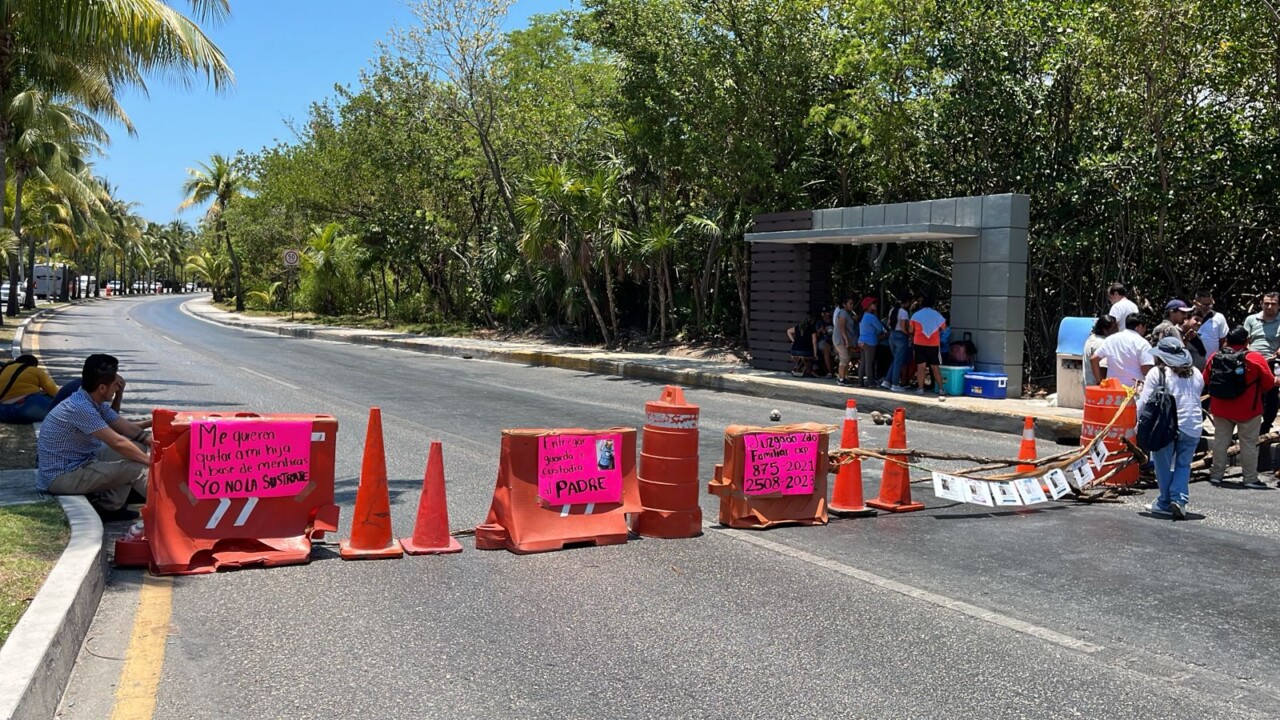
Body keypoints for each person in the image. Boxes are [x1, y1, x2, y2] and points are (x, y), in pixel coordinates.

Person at [37, 354, 151, 522]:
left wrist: (156, 444)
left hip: (80, 462)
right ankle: (175, 510)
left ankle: (109, 506)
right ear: (102, 388)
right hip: (61, 476)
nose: (117, 388)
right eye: (115, 385)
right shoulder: (80, 407)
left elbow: (128, 429)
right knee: (135, 468)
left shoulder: (91, 400)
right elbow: (117, 442)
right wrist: (152, 462)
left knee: (137, 448)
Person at [1138, 338, 1204, 519]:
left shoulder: (1157, 373)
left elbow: (1144, 402)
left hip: (1165, 426)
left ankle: (1165, 501)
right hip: (1193, 425)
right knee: (1184, 465)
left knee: (1163, 466)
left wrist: (1137, 424)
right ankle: (1179, 499)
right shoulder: (1197, 373)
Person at [1203, 327, 1274, 488]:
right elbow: (1268, 383)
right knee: (1248, 443)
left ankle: (1216, 475)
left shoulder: (1215, 357)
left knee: (1220, 442)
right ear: (1247, 341)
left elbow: (1206, 379)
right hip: (1248, 409)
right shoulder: (1255, 358)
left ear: (1227, 340)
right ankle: (1250, 478)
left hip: (1221, 407)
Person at [1244, 291, 1280, 432]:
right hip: (1252, 362)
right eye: (1266, 303)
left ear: (1278, 306)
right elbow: (1244, 340)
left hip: (1272, 362)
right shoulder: (1251, 319)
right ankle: (1250, 426)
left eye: (1273, 304)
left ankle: (1266, 425)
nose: (1269, 306)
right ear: (1261, 304)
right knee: (1251, 395)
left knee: (1272, 396)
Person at [1092, 314, 1154, 388]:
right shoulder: (1143, 343)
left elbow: (1093, 359)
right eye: (1145, 327)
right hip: (1134, 391)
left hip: (1113, 390)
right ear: (1139, 327)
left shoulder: (1111, 339)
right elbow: (1146, 370)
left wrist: (1099, 382)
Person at [0, 355, 59, 424]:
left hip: (3, 411)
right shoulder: (35, 370)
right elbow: (55, 393)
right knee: (55, 403)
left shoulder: (5, 368)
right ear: (34, 365)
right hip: (24, 408)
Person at [910, 296, 947, 395]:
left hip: (919, 343)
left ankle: (920, 389)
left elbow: (910, 330)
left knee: (920, 366)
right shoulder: (937, 315)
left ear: (922, 304)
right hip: (933, 344)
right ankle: (941, 389)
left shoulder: (915, 315)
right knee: (935, 366)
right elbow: (944, 328)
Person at [1190, 290, 1228, 369]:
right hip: (1191, 363)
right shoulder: (1187, 317)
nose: (1208, 307)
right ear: (1195, 303)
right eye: (1205, 305)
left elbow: (1223, 340)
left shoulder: (1219, 317)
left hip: (1212, 364)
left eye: (1210, 304)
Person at [882, 293, 912, 391]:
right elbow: (904, 328)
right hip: (900, 336)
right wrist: (909, 335)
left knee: (895, 359)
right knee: (899, 361)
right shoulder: (904, 312)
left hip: (892, 335)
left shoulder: (892, 310)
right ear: (906, 302)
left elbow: (888, 324)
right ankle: (895, 384)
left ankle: (887, 380)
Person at [856, 296, 885, 387]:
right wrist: (875, 333)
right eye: (873, 303)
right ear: (868, 306)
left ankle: (860, 382)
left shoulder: (862, 316)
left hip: (861, 341)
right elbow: (880, 328)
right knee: (869, 363)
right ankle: (870, 382)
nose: (875, 305)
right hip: (870, 342)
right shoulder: (871, 317)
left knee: (863, 363)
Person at [1082, 314, 1116, 388]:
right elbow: (1102, 367)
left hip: (1088, 382)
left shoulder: (1091, 338)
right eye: (1113, 328)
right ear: (1105, 330)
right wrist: (1101, 384)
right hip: (1098, 385)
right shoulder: (1102, 343)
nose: (1117, 331)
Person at [832, 295, 858, 387]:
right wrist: (846, 340)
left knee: (847, 358)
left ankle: (845, 377)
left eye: (852, 304)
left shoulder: (847, 314)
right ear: (844, 304)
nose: (852, 305)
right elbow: (841, 328)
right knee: (844, 358)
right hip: (840, 340)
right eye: (850, 303)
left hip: (844, 340)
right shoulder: (842, 313)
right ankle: (841, 378)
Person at [815, 309, 835, 377]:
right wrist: (820, 331)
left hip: (834, 341)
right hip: (823, 341)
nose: (824, 315)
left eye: (826, 313)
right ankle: (829, 372)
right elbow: (816, 335)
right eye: (823, 313)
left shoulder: (833, 321)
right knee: (826, 349)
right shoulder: (819, 322)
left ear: (829, 313)